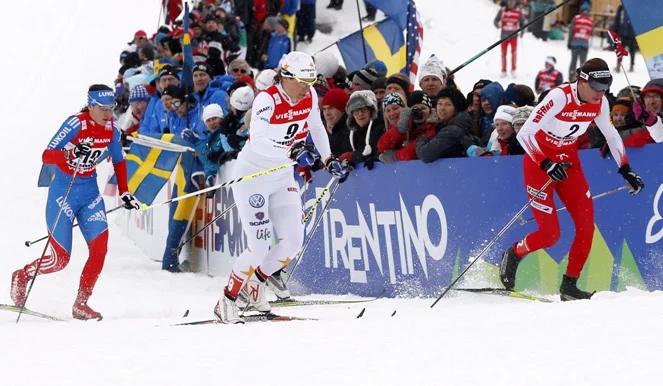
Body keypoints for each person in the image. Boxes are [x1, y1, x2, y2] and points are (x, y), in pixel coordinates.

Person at [214, 51, 351, 324]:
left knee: (292, 242)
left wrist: (328, 159)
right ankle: (227, 300)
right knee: (259, 245)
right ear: (285, 77)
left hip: (281, 176)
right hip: (254, 175)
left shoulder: (309, 96)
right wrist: (291, 151)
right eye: (301, 80)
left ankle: (256, 285)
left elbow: (317, 127)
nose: (306, 87)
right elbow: (259, 139)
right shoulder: (268, 99)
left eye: (310, 80)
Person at [499, 58, 645, 301]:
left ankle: (569, 285)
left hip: (569, 164)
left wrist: (625, 168)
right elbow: (525, 134)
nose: (602, 93)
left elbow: (611, 134)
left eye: (606, 87)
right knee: (550, 235)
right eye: (597, 87)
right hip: (539, 164)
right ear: (582, 81)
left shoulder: (600, 102)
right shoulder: (560, 97)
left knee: (586, 225)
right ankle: (514, 253)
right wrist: (546, 163)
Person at [10, 85, 140, 320]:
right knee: (60, 260)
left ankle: (81, 303)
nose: (108, 114)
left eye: (112, 109)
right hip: (63, 192)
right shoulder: (75, 124)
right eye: (103, 109)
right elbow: (47, 155)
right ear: (90, 106)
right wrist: (70, 154)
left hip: (89, 194)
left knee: (100, 250)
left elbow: (119, 162)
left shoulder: (112, 129)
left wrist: (125, 193)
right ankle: (23, 275)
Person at [494, 0, 523, 77]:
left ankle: (513, 70)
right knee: (503, 54)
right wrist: (497, 25)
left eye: (512, 2)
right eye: (509, 1)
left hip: (514, 36)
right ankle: (503, 70)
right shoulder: (502, 10)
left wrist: (522, 31)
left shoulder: (518, 11)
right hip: (503, 36)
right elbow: (495, 20)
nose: (511, 3)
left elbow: (522, 23)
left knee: (514, 53)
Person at [567, 3, 593, 81]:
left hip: (575, 44)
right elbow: (592, 32)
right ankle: (582, 79)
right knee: (583, 64)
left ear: (580, 10)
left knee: (573, 62)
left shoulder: (576, 18)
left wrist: (569, 42)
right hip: (584, 45)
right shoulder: (590, 20)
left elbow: (571, 31)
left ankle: (571, 77)